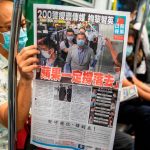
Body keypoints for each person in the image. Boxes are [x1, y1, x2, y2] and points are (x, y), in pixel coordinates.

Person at [0, 0, 39, 149]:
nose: (21, 32)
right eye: (11, 27)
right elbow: (12, 122)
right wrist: (25, 79)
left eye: (23, 25)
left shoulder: (25, 60)